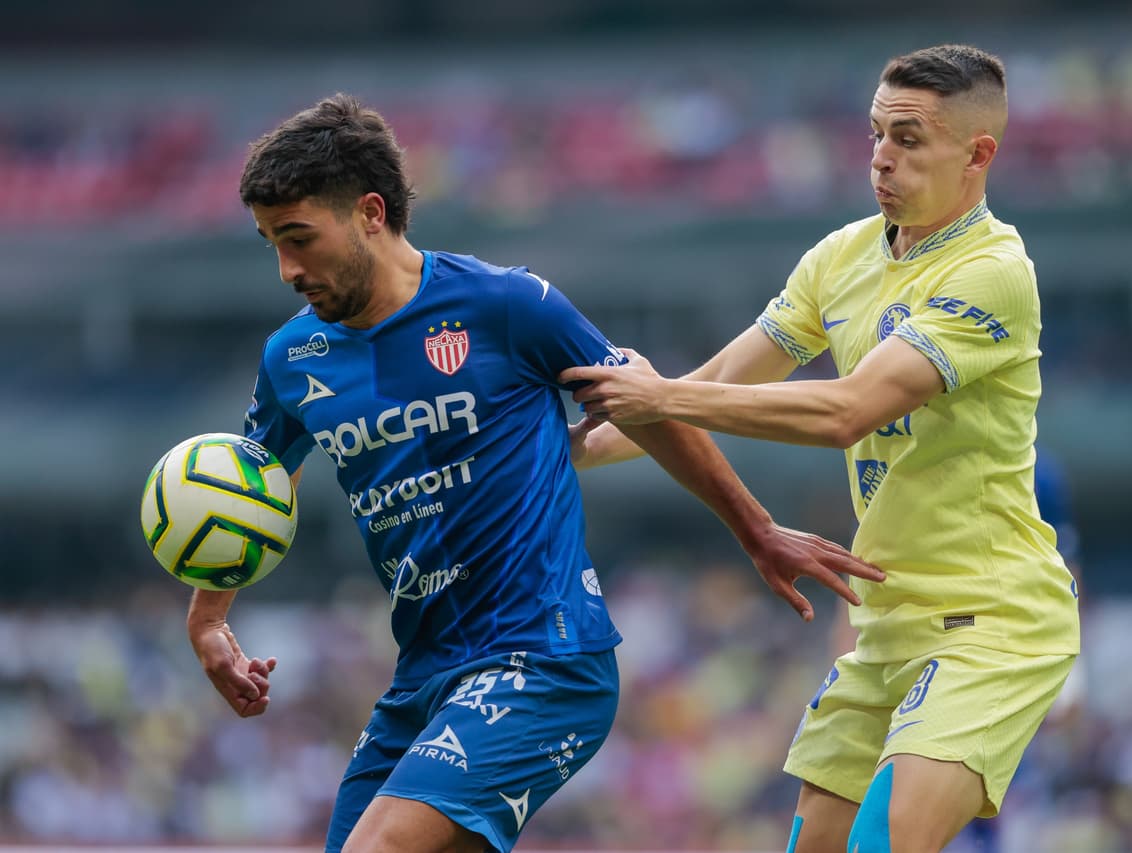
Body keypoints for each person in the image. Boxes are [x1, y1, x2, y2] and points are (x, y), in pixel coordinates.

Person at [184, 94, 883, 853]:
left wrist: (756, 529)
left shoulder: (507, 305)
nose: (287, 269)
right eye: (269, 244)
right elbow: (253, 481)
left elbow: (645, 410)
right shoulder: (292, 358)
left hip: (544, 658)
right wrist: (209, 617)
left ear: (371, 213)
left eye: (298, 238)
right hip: (424, 677)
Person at [562, 45, 1081, 853]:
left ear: (978, 155)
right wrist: (571, 450)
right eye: (876, 134)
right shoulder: (840, 257)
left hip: (992, 623)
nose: (880, 157)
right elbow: (722, 379)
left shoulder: (994, 272)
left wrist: (659, 395)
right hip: (882, 624)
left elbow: (847, 410)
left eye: (908, 139)